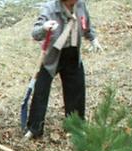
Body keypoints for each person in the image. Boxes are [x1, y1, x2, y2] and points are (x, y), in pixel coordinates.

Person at [24, 0, 102, 140]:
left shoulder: (80, 5)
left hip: (72, 53)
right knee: (41, 92)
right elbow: (35, 34)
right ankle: (34, 128)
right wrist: (44, 27)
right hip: (51, 56)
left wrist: (93, 39)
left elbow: (86, 24)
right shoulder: (50, 8)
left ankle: (74, 127)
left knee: (76, 90)